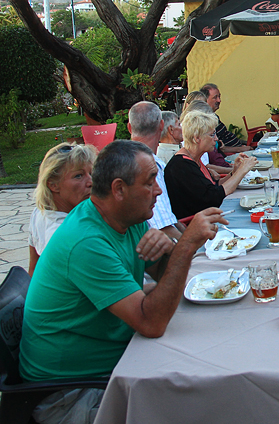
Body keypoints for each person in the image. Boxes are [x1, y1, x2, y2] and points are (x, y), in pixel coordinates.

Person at [20, 140, 229, 423]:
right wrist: (186, 244)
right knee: (205, 401)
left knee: (212, 366)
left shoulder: (126, 217)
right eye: (150, 182)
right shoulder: (86, 242)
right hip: (71, 394)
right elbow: (152, 323)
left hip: (115, 363)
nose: (158, 190)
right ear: (119, 189)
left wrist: (170, 250)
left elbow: (164, 277)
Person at [164, 110, 257, 220]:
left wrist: (234, 172)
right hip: (198, 224)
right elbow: (214, 197)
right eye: (212, 135)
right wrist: (242, 170)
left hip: (209, 217)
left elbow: (214, 187)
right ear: (197, 138)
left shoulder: (194, 159)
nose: (216, 139)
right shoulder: (181, 166)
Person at [28, 143, 97, 276]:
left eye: (91, 173)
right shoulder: (67, 234)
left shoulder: (39, 213)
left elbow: (33, 270)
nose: (90, 182)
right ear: (53, 185)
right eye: (78, 176)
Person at [128, 102, 184, 243]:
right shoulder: (148, 166)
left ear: (129, 127)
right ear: (161, 125)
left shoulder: (124, 159)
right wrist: (193, 246)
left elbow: (168, 219)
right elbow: (164, 228)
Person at [200, 83, 253, 153]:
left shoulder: (214, 116)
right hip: (231, 154)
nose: (219, 100)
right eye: (215, 97)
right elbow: (219, 148)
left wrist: (243, 145)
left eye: (219, 97)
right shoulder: (206, 121)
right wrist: (240, 149)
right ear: (205, 100)